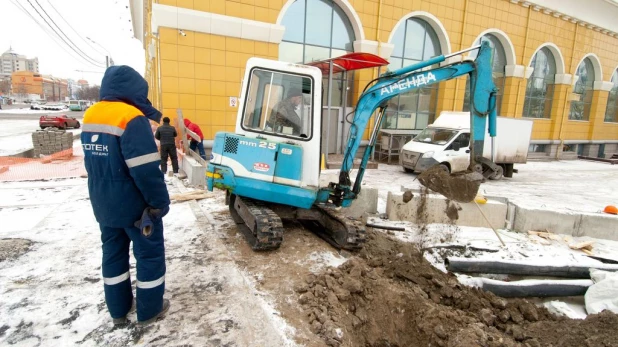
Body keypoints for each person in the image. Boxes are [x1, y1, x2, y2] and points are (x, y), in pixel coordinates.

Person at [81, 65, 170, 326]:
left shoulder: (91, 114)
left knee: (112, 255)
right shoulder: (131, 117)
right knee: (149, 256)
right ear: (135, 91)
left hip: (103, 204)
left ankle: (118, 310)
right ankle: (149, 310)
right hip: (135, 209)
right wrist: (158, 203)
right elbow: (145, 170)